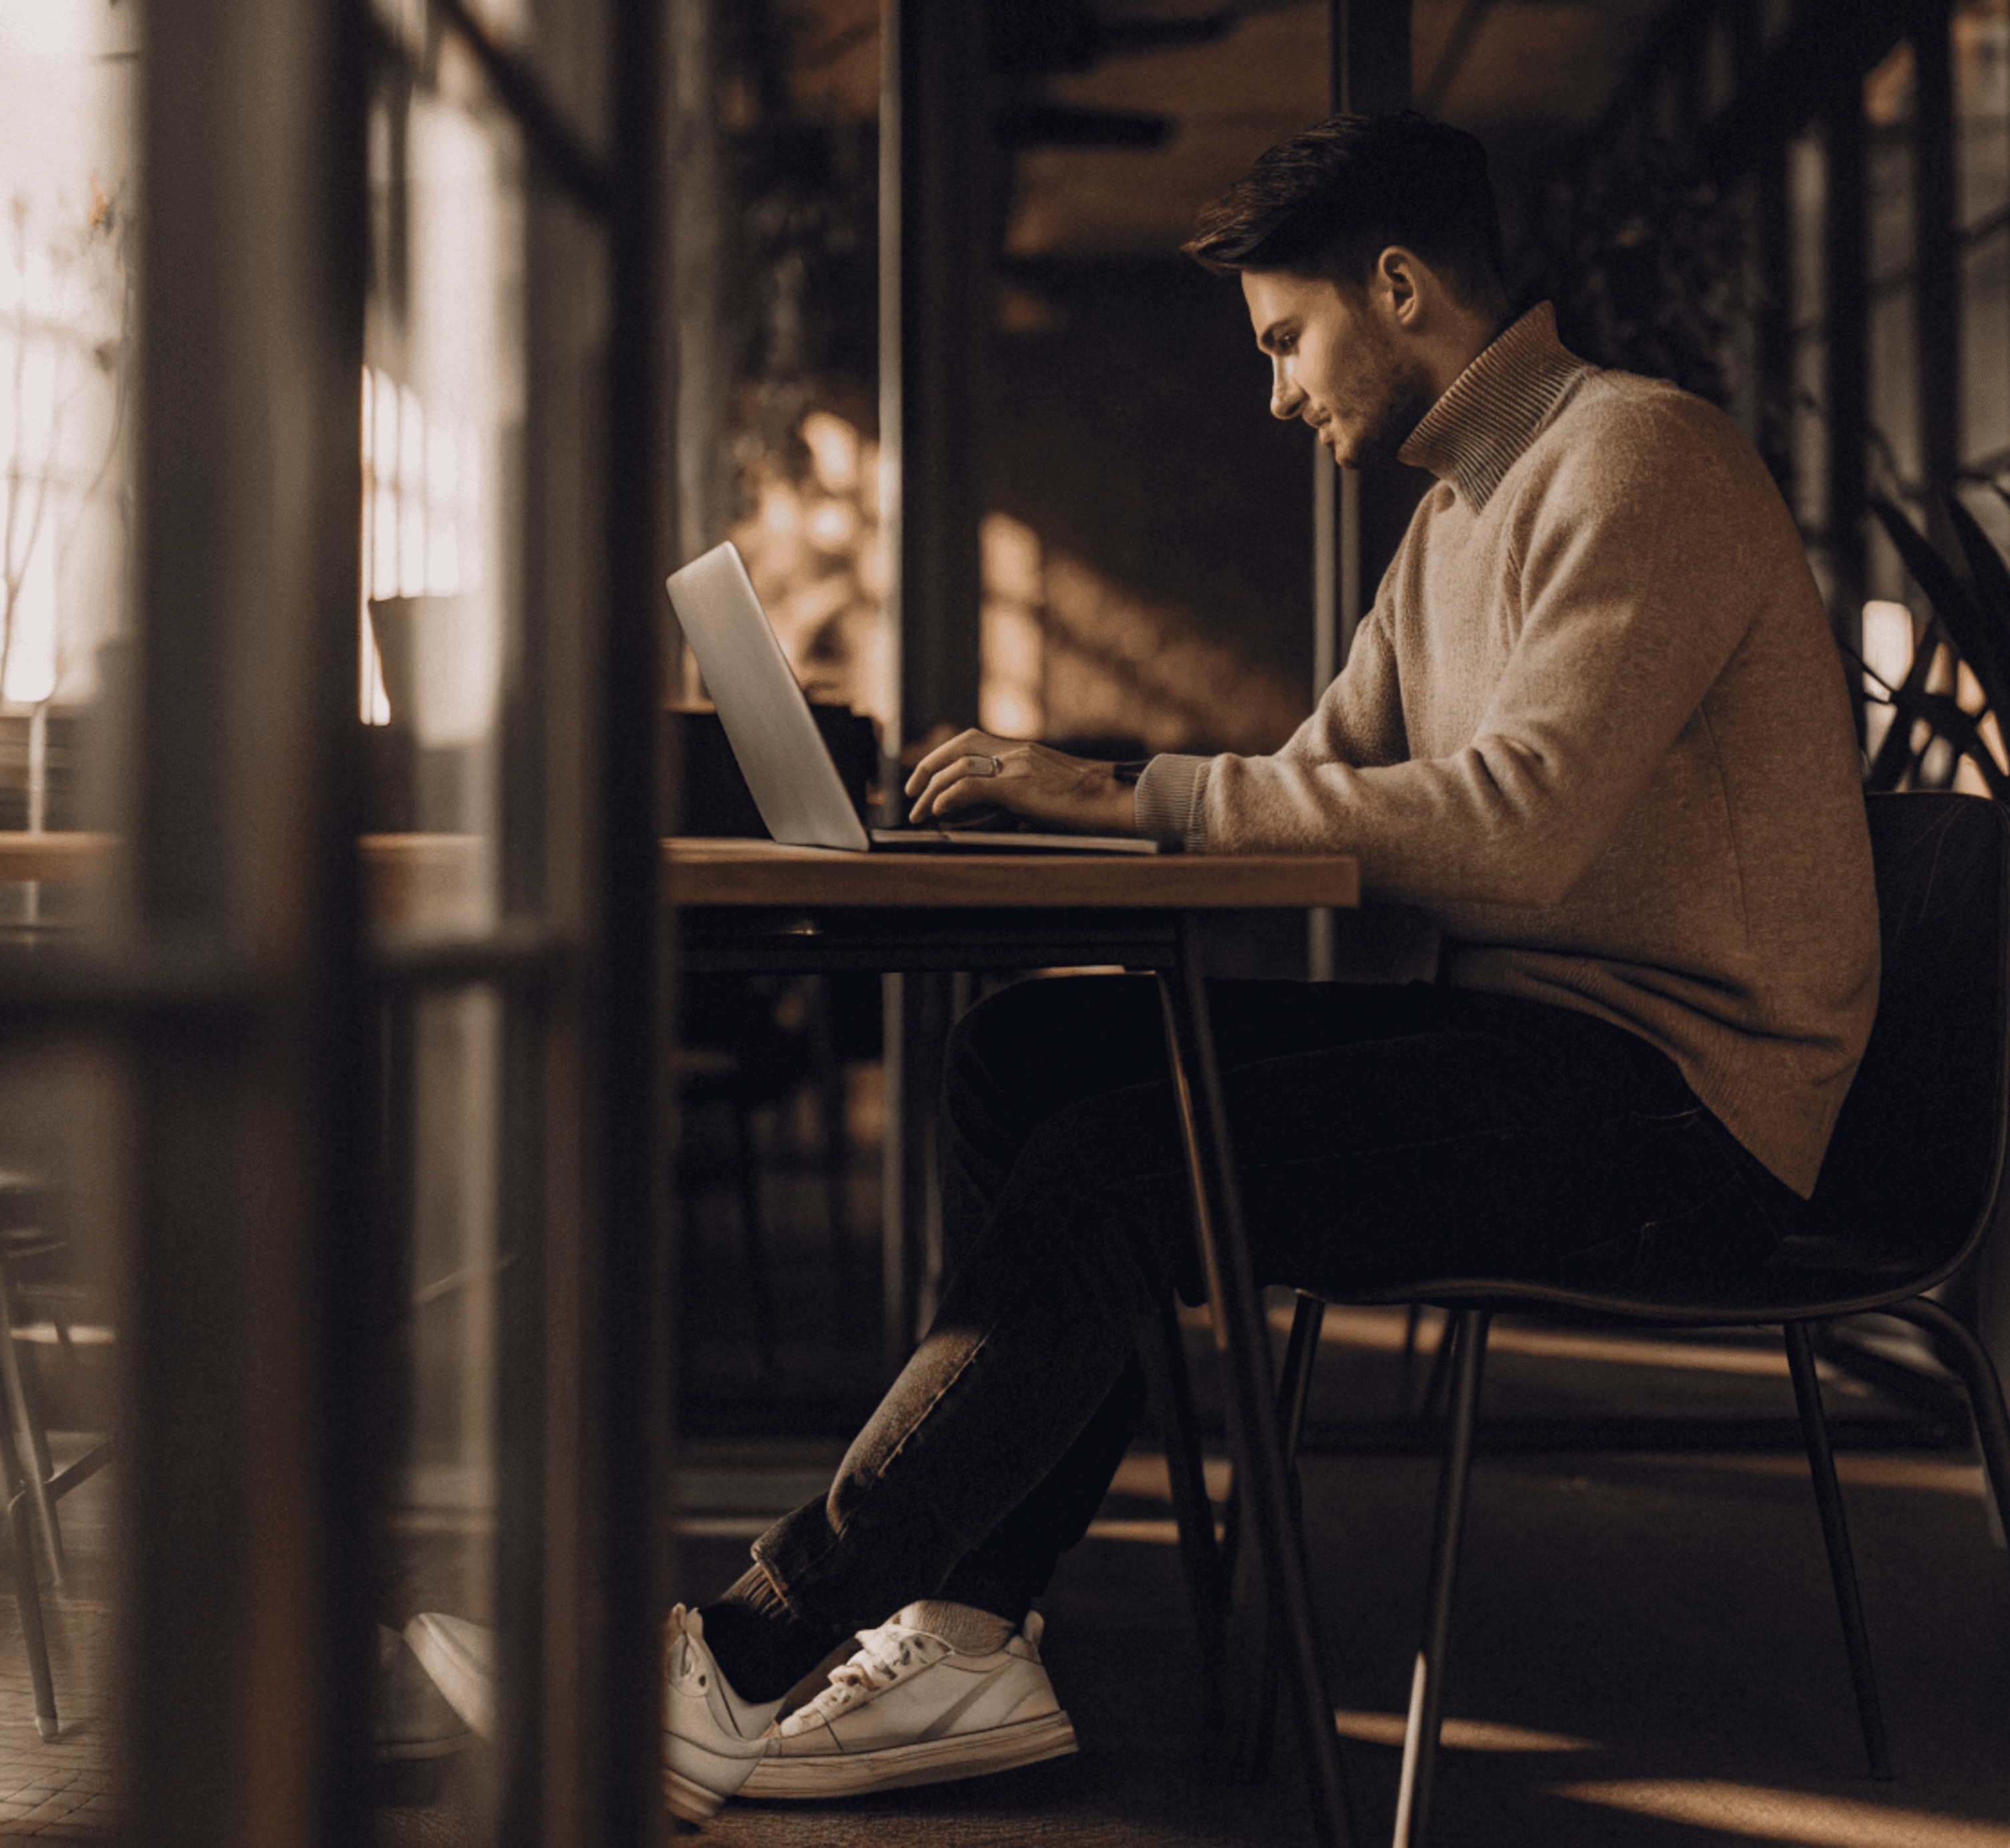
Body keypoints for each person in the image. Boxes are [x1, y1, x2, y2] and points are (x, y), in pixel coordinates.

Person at [660, 109, 1879, 1821]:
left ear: (1397, 289)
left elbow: (1514, 828)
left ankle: (746, 1649)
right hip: (1543, 1050)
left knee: (1124, 1155)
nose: (1278, 392)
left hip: (1691, 1112)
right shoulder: (1452, 518)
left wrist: (1123, 791)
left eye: (1285, 340)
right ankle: (966, 1631)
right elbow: (1314, 797)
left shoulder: (1637, 462)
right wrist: (1048, 808)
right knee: (1032, 1059)